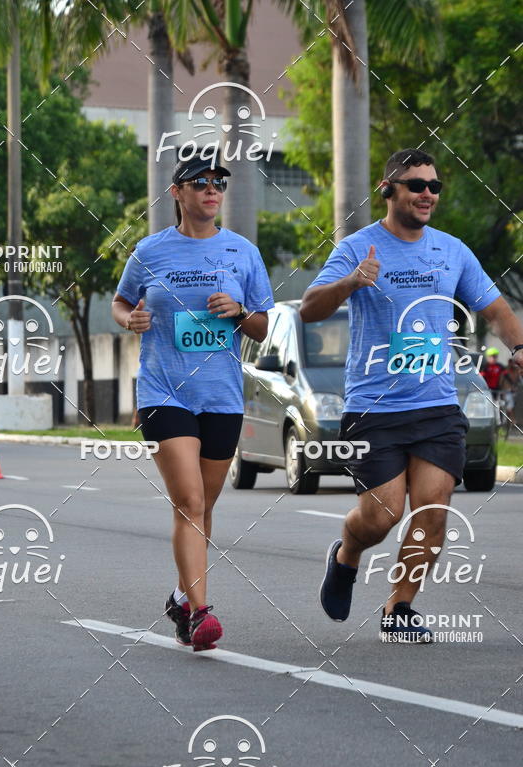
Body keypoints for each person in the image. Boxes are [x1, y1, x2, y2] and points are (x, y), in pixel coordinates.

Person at [300, 148, 523, 643]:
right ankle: (345, 555)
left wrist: (519, 345)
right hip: (374, 407)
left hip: (436, 404)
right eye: (416, 185)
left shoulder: (451, 251)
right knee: (381, 517)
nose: (427, 194)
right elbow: (310, 308)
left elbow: (495, 309)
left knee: (431, 510)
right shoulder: (359, 247)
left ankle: (399, 608)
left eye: (434, 186)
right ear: (388, 190)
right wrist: (352, 281)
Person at [112, 154, 273, 651]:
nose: (211, 189)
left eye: (218, 182)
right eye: (200, 182)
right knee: (189, 502)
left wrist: (240, 311)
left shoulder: (242, 252)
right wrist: (129, 320)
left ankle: (181, 598)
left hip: (221, 394)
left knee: (205, 505)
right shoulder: (149, 251)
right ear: (176, 193)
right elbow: (121, 302)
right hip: (164, 391)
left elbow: (263, 327)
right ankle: (202, 613)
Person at [498, 358, 521, 422]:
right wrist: (502, 392)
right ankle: (511, 420)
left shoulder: (516, 371)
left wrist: (516, 387)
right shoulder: (505, 372)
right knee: (509, 407)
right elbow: (500, 382)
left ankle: (511, 420)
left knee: (512, 406)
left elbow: (519, 381)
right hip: (507, 392)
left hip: (514, 392)